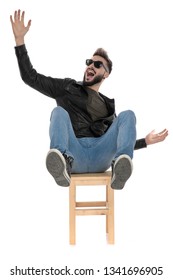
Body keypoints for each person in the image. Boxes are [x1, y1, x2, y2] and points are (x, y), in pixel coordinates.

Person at [10, 10, 168, 190]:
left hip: (101, 156)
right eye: (89, 62)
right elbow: (31, 77)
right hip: (74, 154)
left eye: (98, 64)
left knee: (128, 116)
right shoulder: (67, 88)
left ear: (106, 74)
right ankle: (62, 162)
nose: (91, 66)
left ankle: (119, 169)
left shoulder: (109, 107)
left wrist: (145, 142)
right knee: (58, 112)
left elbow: (119, 139)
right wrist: (19, 41)